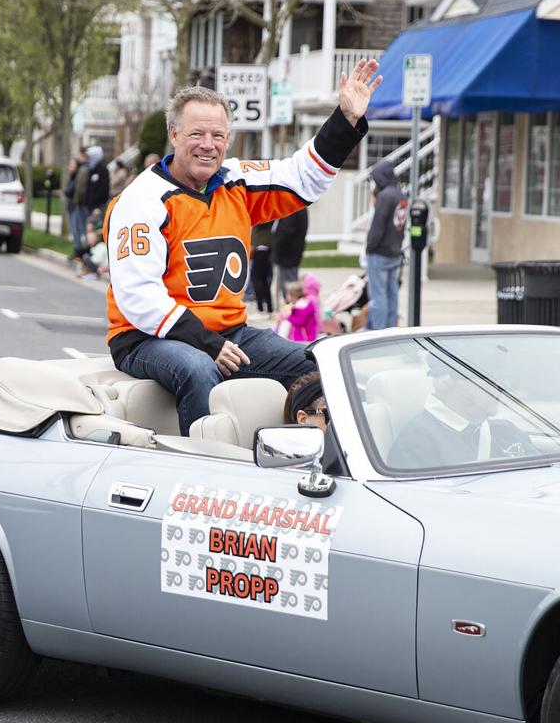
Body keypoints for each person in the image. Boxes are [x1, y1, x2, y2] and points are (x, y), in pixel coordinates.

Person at [105, 60, 380, 434]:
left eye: (218, 136)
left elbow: (303, 178)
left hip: (229, 331)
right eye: (196, 134)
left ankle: (297, 454)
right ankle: (203, 471)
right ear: (174, 134)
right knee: (197, 368)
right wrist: (209, 343)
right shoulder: (142, 201)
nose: (208, 145)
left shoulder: (234, 180)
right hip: (146, 338)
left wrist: (345, 120)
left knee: (319, 361)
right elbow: (138, 298)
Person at [388, 354, 535, 469]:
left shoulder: (507, 432)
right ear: (447, 382)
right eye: (491, 378)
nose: (504, 385)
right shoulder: (416, 444)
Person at [364, 159, 406, 330]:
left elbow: (377, 226)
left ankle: (377, 332)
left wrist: (369, 247)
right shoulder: (400, 195)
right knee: (392, 294)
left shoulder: (385, 196)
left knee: (378, 296)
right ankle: (390, 330)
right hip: (394, 252)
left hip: (379, 253)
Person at [271, 206, 308, 293]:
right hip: (292, 252)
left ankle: (292, 306)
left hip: (288, 254)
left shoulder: (293, 208)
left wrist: (277, 250)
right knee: (290, 286)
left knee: (289, 288)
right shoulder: (301, 207)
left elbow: (286, 231)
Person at [65, 148, 90, 253]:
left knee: (79, 229)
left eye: (72, 164)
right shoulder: (73, 175)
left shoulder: (81, 172)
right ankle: (77, 250)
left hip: (78, 204)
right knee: (75, 230)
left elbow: (77, 189)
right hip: (73, 204)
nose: (70, 167)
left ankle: (80, 251)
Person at [250, 221, 274, 313]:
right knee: (264, 280)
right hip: (265, 248)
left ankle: (260, 306)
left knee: (256, 278)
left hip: (261, 248)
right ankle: (269, 306)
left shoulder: (265, 216)